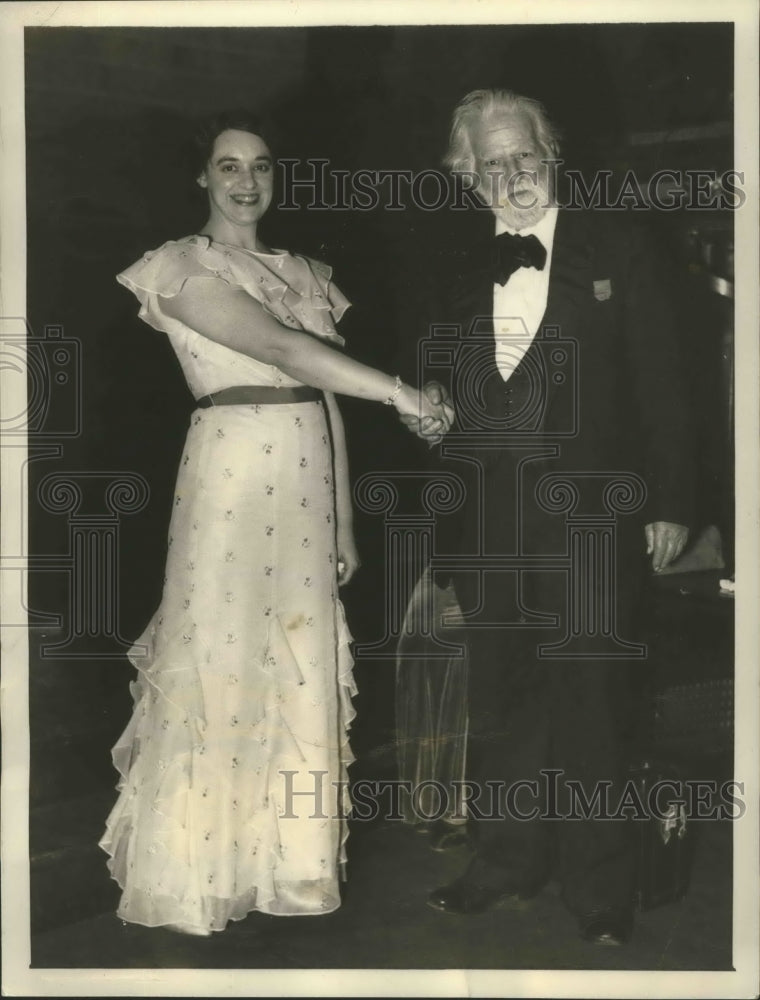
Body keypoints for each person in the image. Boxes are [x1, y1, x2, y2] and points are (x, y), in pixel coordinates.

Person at [99, 110, 451, 936]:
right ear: (203, 177)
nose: (246, 181)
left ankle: (285, 867)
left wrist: (346, 526)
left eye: (260, 165)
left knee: (296, 663)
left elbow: (321, 394)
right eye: (228, 166)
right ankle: (196, 874)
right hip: (232, 469)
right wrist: (402, 392)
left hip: (304, 483)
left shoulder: (301, 270)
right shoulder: (180, 267)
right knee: (221, 659)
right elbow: (285, 353)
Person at [401, 89, 694, 945]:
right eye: (491, 163)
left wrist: (674, 500)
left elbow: (666, 385)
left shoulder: (622, 245)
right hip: (490, 520)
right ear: (469, 176)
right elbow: (441, 391)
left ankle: (601, 889)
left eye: (522, 155)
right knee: (503, 699)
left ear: (550, 154)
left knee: (595, 698)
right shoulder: (454, 267)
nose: (511, 174)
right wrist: (429, 418)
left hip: (596, 516)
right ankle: (505, 860)